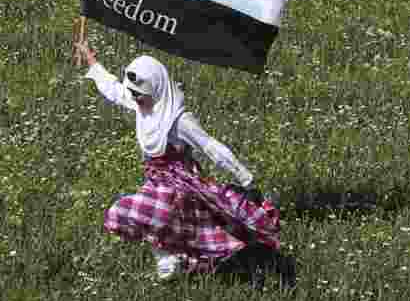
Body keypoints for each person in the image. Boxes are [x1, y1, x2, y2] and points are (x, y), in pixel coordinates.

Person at [74, 40, 281, 281]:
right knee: (149, 218)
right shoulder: (142, 104)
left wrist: (246, 178)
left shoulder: (178, 120)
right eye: (133, 93)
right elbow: (116, 91)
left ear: (157, 89)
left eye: (140, 95)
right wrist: (91, 61)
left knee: (141, 213)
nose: (135, 99)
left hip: (180, 185)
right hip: (155, 181)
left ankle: (175, 260)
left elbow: (211, 147)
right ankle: (171, 260)